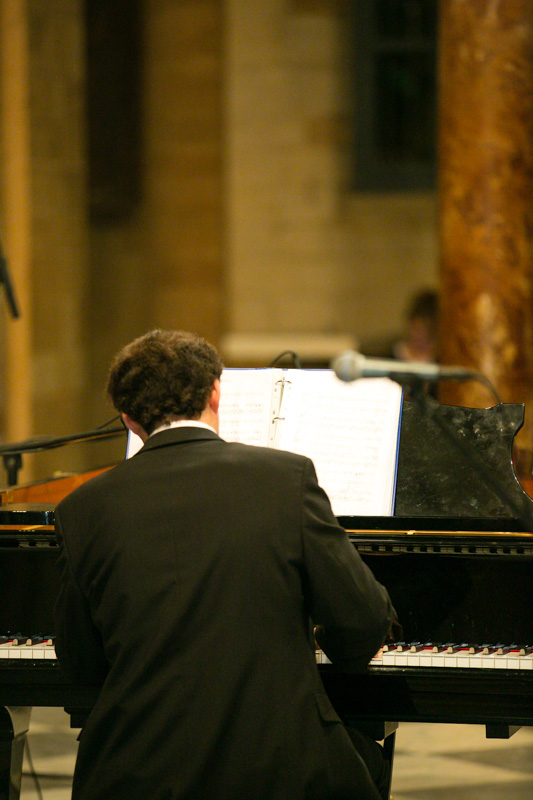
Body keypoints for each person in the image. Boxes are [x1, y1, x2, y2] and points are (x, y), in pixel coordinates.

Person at [54, 329, 396, 800]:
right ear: (216, 391)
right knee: (365, 761)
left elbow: (81, 665)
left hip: (131, 774)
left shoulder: (82, 509)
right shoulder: (286, 479)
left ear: (128, 420)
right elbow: (363, 623)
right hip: (275, 769)